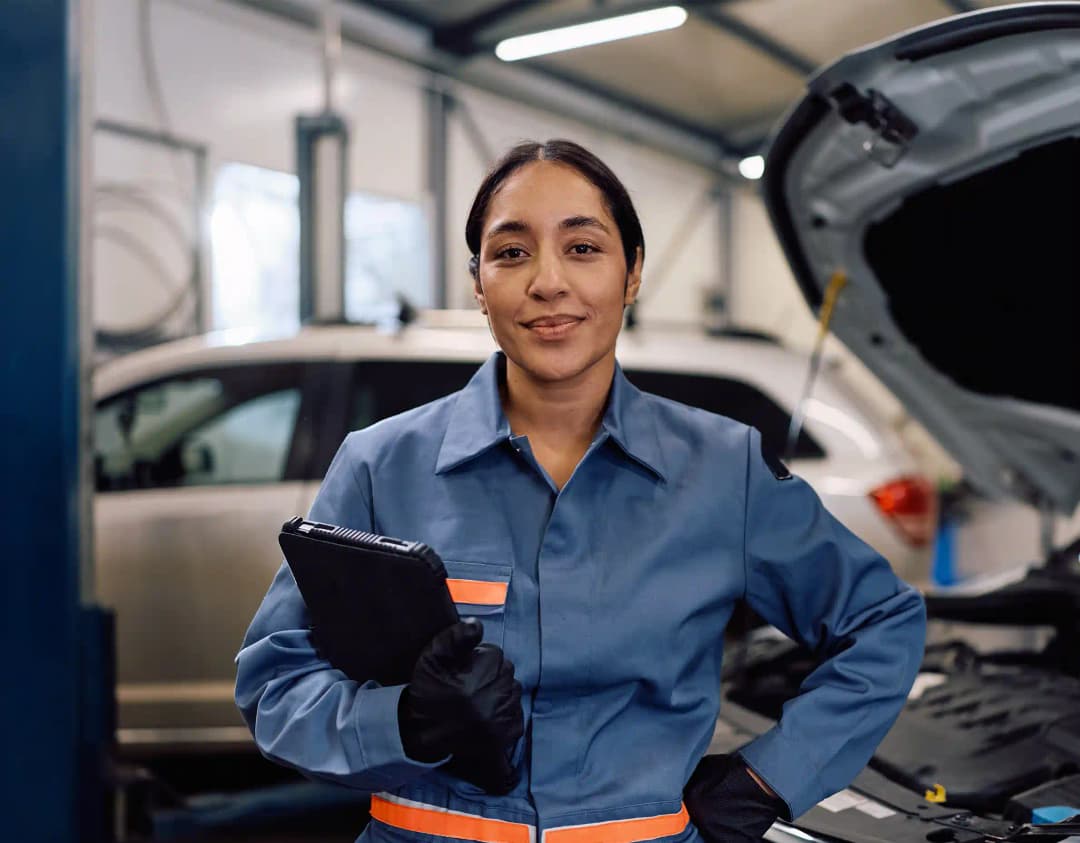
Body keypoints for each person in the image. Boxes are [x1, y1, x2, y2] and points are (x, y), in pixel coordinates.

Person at [235, 139, 927, 843]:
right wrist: (403, 719)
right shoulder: (381, 466)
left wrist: (768, 779)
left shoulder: (725, 471)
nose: (547, 282)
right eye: (511, 253)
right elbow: (275, 684)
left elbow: (880, 623)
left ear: (632, 275)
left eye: (584, 248)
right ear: (478, 283)